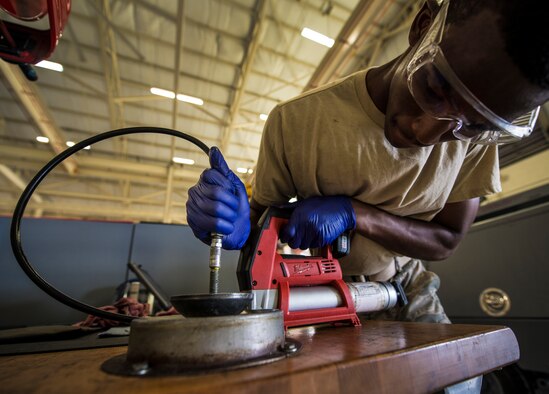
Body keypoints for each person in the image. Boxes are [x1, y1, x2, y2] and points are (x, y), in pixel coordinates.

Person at [186, 0, 549, 324]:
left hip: (407, 283)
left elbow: (447, 240)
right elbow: (260, 220)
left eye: (472, 125)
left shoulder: (476, 141)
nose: (424, 133)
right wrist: (235, 224)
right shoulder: (296, 122)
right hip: (320, 287)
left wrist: (355, 213)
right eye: (434, 89)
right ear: (422, 25)